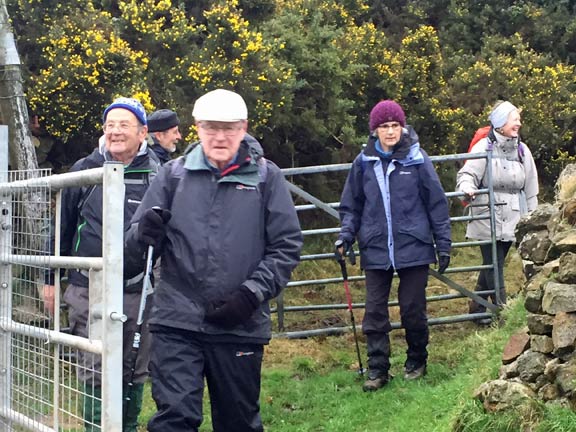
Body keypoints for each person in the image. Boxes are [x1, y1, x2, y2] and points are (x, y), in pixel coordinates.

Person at [124, 88, 303, 431]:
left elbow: (286, 246)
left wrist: (250, 294)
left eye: (229, 128)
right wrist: (142, 235)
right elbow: (134, 254)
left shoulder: (267, 178)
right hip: (177, 323)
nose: (220, 136)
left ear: (244, 127)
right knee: (174, 420)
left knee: (237, 422)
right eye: (211, 127)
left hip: (240, 325)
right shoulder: (172, 176)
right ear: (197, 127)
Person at [43, 97, 158, 431]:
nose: (115, 132)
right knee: (94, 364)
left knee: (135, 365)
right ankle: (97, 428)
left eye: (124, 124)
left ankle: (128, 426)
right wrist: (50, 277)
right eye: (110, 125)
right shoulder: (85, 169)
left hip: (139, 289)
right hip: (88, 288)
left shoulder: (157, 175)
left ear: (143, 132)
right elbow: (61, 226)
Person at [336, 100, 451, 392]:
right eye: (384, 126)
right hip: (375, 248)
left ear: (402, 127)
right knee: (374, 311)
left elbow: (436, 203)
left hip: (414, 245)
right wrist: (345, 237)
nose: (390, 132)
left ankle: (416, 360)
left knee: (412, 308)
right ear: (375, 131)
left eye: (395, 126)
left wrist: (444, 244)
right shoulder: (362, 163)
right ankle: (377, 369)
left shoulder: (416, 159)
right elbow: (352, 207)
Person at [456, 101, 538, 324]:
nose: (519, 123)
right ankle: (503, 310)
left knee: (494, 262)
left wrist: (534, 217)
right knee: (493, 262)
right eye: (515, 119)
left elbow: (530, 186)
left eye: (519, 120)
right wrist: (466, 188)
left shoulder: (522, 150)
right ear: (501, 123)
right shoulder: (483, 148)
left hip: (512, 217)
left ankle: (477, 307)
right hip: (486, 217)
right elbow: (467, 175)